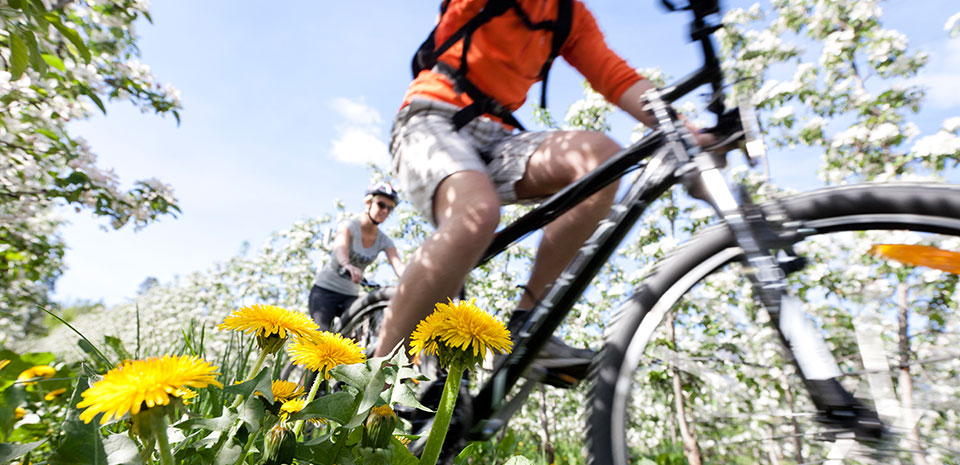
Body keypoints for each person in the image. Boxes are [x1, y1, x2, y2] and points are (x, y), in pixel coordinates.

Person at [374, 0, 713, 381]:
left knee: (601, 160)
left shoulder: (568, 15)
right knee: (476, 214)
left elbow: (614, 76)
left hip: (497, 135)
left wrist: (684, 130)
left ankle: (526, 327)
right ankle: (372, 386)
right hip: (430, 117)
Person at [309, 182, 405, 332]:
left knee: (356, 335)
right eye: (381, 205)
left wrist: (411, 282)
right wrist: (347, 264)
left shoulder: (384, 241)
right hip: (325, 290)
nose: (385, 211)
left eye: (390, 208)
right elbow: (340, 248)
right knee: (320, 337)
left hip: (350, 294)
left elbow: (398, 266)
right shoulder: (349, 226)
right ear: (368, 202)